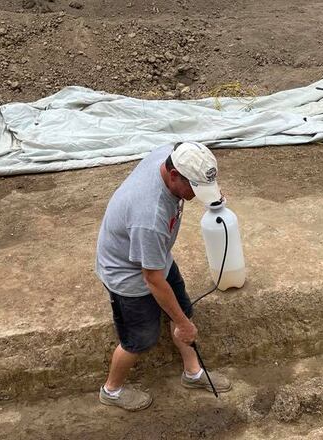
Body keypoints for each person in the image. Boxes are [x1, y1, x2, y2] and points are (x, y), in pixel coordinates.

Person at [94, 141, 231, 411]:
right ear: (173, 175)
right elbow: (153, 279)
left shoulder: (172, 155)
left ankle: (192, 373)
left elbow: (183, 145)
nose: (196, 195)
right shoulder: (150, 215)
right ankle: (111, 390)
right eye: (194, 188)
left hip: (156, 258)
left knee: (182, 310)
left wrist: (209, 193)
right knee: (139, 340)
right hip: (128, 274)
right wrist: (183, 325)